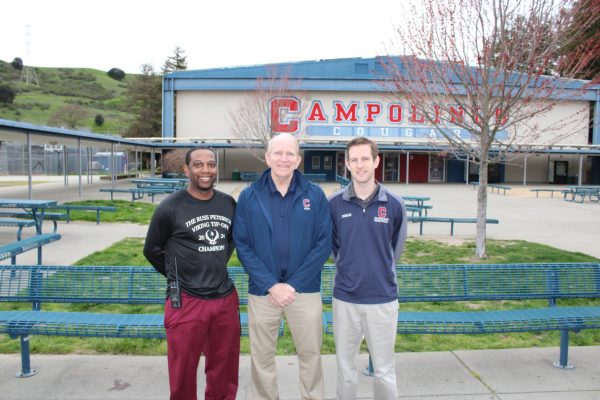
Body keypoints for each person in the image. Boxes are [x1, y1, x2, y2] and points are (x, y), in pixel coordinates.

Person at [233, 133, 332, 400]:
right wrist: (271, 285)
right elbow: (242, 245)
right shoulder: (249, 196)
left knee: (311, 356)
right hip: (263, 293)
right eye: (277, 153)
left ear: (298, 160)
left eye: (290, 154)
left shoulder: (315, 195)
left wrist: (293, 285)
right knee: (262, 359)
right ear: (267, 157)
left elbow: (324, 244)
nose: (283, 159)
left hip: (305, 291)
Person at [143, 147, 240, 400]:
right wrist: (179, 275)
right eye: (198, 165)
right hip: (186, 301)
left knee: (225, 370)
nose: (205, 170)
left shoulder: (228, 203)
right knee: (182, 372)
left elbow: (231, 241)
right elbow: (152, 250)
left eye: (210, 164)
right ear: (187, 170)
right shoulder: (170, 207)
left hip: (223, 299)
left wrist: (214, 262)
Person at [328, 136, 408, 400]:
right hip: (346, 299)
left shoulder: (394, 204)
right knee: (345, 369)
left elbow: (394, 250)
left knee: (384, 370)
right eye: (354, 160)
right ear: (347, 164)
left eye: (365, 159)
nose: (360, 165)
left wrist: (377, 270)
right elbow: (334, 247)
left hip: (382, 299)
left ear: (376, 161)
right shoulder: (334, 204)